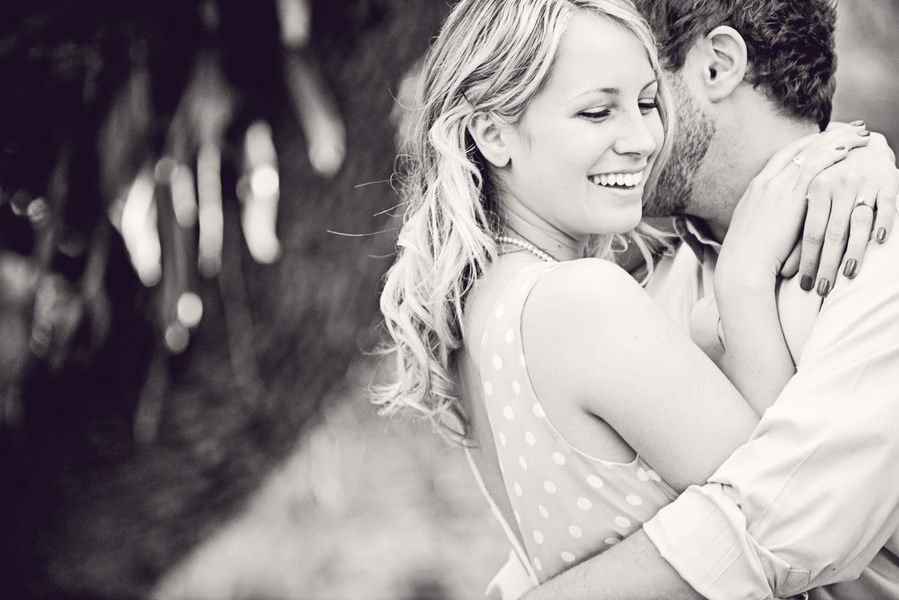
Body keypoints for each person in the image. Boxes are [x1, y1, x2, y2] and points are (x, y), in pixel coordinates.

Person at [372, 0, 892, 597]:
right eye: (598, 110)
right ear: (492, 134)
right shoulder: (583, 300)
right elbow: (766, 505)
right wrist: (744, 282)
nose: (645, 138)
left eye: (648, 102)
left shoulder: (495, 304)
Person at [522, 1, 899, 599]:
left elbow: (776, 529)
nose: (627, 136)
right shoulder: (659, 271)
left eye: (641, 96)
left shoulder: (880, 260)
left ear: (718, 66)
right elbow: (612, 508)